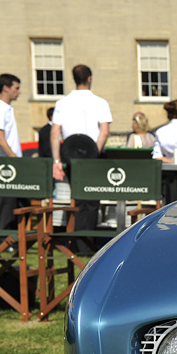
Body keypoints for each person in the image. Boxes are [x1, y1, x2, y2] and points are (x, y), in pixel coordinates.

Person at [50, 64, 113, 230]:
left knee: (77, 197)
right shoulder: (100, 102)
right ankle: (88, 242)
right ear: (89, 78)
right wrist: (94, 154)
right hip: (92, 156)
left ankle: (77, 242)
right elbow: (104, 132)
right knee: (92, 200)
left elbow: (54, 133)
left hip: (71, 156)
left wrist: (56, 160)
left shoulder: (62, 103)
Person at [0, 74, 24, 231]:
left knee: (20, 203)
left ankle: (16, 241)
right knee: (8, 206)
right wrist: (15, 160)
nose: (19, 92)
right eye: (16, 88)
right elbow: (0, 139)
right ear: (5, 88)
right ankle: (5, 243)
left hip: (10, 163)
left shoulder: (6, 109)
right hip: (5, 165)